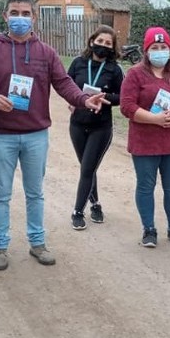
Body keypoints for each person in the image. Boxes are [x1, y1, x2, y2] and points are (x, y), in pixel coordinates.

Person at [0, 0, 108, 271]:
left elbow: (64, 83)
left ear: (35, 17)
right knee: (2, 193)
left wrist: (83, 99)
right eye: (14, 13)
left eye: (26, 14)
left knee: (35, 193)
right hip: (1, 135)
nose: (20, 19)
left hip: (35, 135)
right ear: (5, 16)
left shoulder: (46, 53)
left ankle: (37, 242)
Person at [120, 27, 170, 248]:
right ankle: (149, 229)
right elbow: (127, 106)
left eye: (163, 47)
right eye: (155, 47)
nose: (160, 51)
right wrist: (154, 119)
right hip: (144, 142)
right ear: (146, 51)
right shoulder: (135, 74)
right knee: (146, 186)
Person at [65, 24, 124, 230]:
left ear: (113, 47)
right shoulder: (78, 63)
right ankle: (96, 204)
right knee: (87, 168)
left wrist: (104, 96)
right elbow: (66, 86)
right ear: (92, 42)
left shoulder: (115, 70)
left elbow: (122, 97)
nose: (103, 46)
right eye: (100, 42)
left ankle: (78, 211)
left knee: (88, 167)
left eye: (108, 43)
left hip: (101, 127)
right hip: (78, 125)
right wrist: (73, 100)